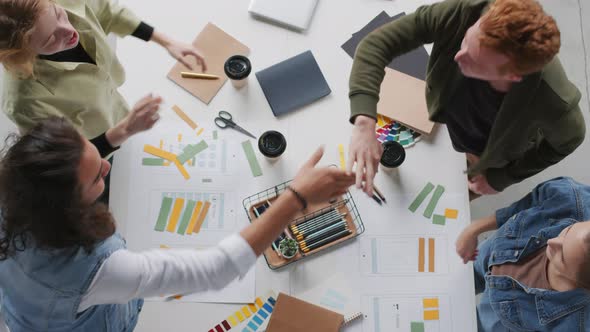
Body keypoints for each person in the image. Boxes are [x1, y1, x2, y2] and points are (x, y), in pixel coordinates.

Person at [0, 117, 355, 331]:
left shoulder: (16, 193)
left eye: (98, 158)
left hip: (26, 313)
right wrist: (295, 198)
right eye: (96, 179)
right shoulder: (99, 271)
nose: (108, 169)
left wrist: (116, 135)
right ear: (66, 209)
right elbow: (216, 270)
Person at [347, 0, 585, 198]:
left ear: (513, 76)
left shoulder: (553, 101)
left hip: (487, 154)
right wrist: (364, 124)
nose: (458, 58)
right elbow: (375, 44)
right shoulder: (466, 11)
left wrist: (499, 179)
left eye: (474, 61)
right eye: (465, 41)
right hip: (449, 119)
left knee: (454, 204)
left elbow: (570, 139)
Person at [0, 0, 206, 138]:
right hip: (96, 144)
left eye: (59, 15)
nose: (69, 30)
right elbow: (65, 158)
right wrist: (124, 131)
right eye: (50, 38)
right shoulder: (25, 103)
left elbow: (109, 13)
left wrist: (166, 41)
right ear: (22, 53)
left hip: (122, 116)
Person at [455, 177, 590, 331]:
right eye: (568, 231)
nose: (552, 242)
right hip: (490, 253)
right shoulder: (570, 198)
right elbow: (528, 203)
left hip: (494, 321)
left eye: (562, 257)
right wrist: (475, 228)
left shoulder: (576, 323)